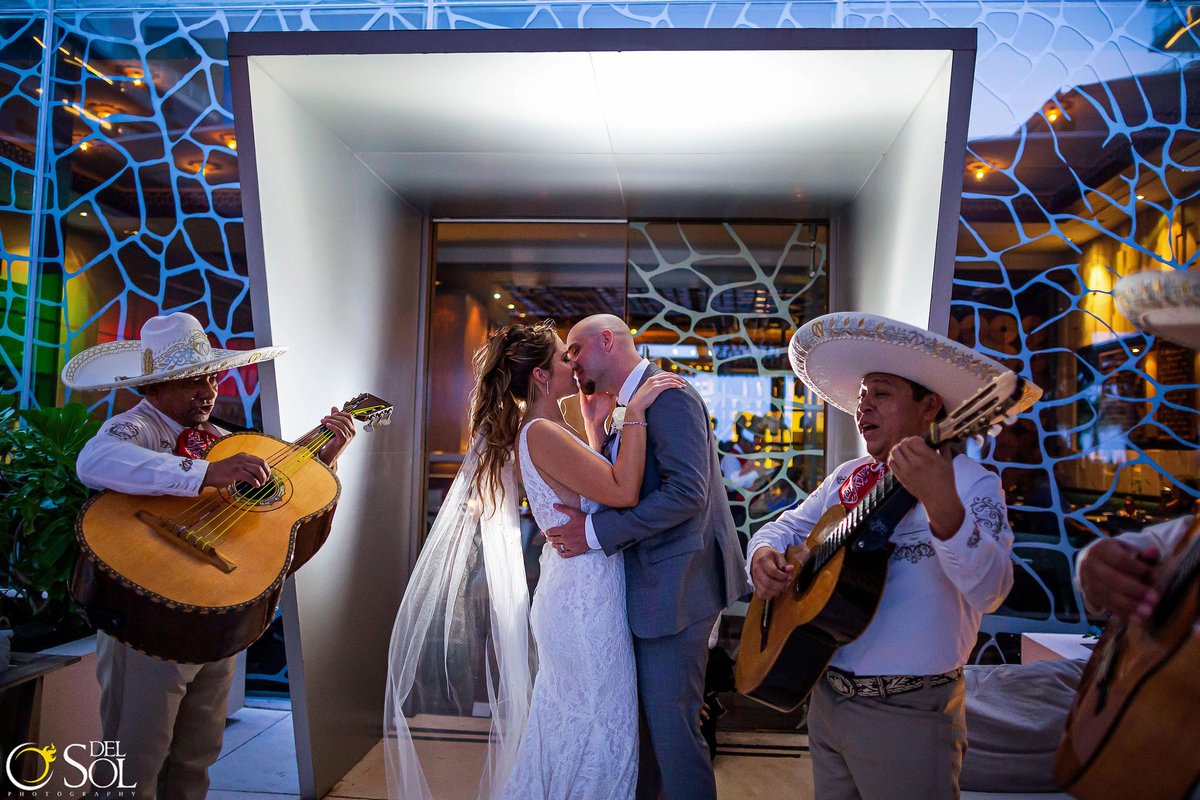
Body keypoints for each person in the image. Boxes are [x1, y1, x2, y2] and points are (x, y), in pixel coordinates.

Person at [746, 311, 1041, 800]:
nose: (863, 408)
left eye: (880, 394)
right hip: (827, 697)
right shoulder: (850, 476)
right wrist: (763, 554)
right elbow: (786, 527)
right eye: (861, 398)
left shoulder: (970, 481)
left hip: (910, 712)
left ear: (930, 408)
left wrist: (943, 503)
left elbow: (992, 590)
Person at [384, 319, 684, 800]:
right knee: (599, 726)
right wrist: (635, 413)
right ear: (542, 377)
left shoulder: (546, 430)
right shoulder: (542, 432)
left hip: (580, 590)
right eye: (564, 357)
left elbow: (591, 486)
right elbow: (623, 490)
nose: (574, 362)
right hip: (584, 603)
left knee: (576, 727)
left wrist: (593, 426)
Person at [63, 312, 356, 800]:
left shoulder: (224, 441)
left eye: (213, 375)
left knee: (196, 759)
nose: (209, 389)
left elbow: (263, 517)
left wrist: (322, 460)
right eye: (192, 380)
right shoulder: (133, 427)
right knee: (131, 765)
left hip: (214, 613)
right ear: (153, 388)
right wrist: (203, 474)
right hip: (145, 617)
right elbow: (94, 462)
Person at [543, 313, 750, 800]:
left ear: (607, 341)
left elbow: (685, 495)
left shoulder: (669, 395)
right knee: (647, 737)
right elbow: (626, 486)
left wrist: (593, 532)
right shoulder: (626, 404)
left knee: (674, 734)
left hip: (675, 589)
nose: (571, 363)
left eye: (575, 350)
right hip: (649, 587)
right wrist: (598, 435)